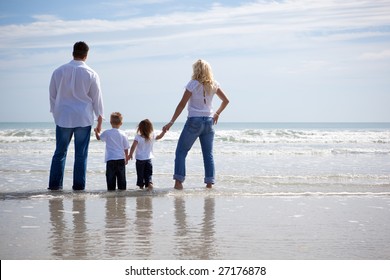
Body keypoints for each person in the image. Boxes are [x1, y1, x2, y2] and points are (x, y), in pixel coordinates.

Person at [163, 59, 229, 190]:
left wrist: (171, 122)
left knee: (181, 151)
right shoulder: (214, 84)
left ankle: (178, 182)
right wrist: (217, 113)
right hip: (209, 122)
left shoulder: (193, 84)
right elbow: (226, 101)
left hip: (194, 121)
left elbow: (182, 104)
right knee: (208, 154)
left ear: (196, 70)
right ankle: (209, 183)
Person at [48, 41, 104, 191]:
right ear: (86, 55)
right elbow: (97, 98)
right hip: (83, 117)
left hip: (63, 117)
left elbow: (52, 96)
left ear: (73, 53)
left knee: (60, 152)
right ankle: (78, 188)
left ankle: (54, 187)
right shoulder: (91, 73)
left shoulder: (58, 71)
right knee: (81, 155)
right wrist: (99, 120)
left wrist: (56, 114)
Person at [94, 112, 130, 191]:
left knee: (110, 180)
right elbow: (126, 147)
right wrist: (126, 157)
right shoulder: (123, 134)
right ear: (121, 123)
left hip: (110, 159)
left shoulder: (107, 132)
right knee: (122, 180)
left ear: (110, 122)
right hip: (120, 159)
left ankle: (111, 195)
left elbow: (98, 138)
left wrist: (96, 132)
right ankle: (122, 197)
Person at [129, 119, 166, 190]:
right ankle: (149, 186)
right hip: (148, 160)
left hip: (140, 160)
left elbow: (133, 146)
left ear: (140, 128)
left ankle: (141, 188)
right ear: (150, 128)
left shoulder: (138, 137)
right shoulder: (152, 136)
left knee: (140, 175)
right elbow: (159, 137)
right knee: (148, 176)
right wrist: (163, 132)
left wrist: (130, 154)